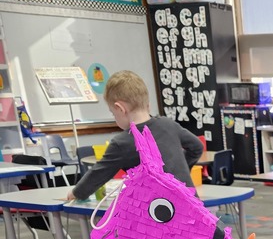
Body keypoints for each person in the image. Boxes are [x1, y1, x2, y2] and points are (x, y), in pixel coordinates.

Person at [67, 70, 203, 201]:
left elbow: (98, 174)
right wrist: (180, 171)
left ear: (120, 109)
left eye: (113, 113)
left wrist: (76, 193)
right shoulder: (168, 124)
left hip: (161, 216)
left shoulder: (122, 142)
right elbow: (196, 147)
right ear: (147, 105)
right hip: (193, 209)